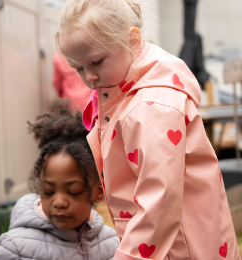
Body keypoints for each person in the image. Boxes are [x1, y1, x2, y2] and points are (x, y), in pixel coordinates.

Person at [56, 0, 237, 257]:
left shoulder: (152, 107)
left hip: (180, 247)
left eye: (96, 62)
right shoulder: (124, 92)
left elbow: (159, 201)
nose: (89, 77)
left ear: (132, 40)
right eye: (79, 68)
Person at [0, 104, 118, 259]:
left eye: (73, 192)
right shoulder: (14, 248)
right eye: (48, 192)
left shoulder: (112, 244)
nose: (58, 202)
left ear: (98, 192)